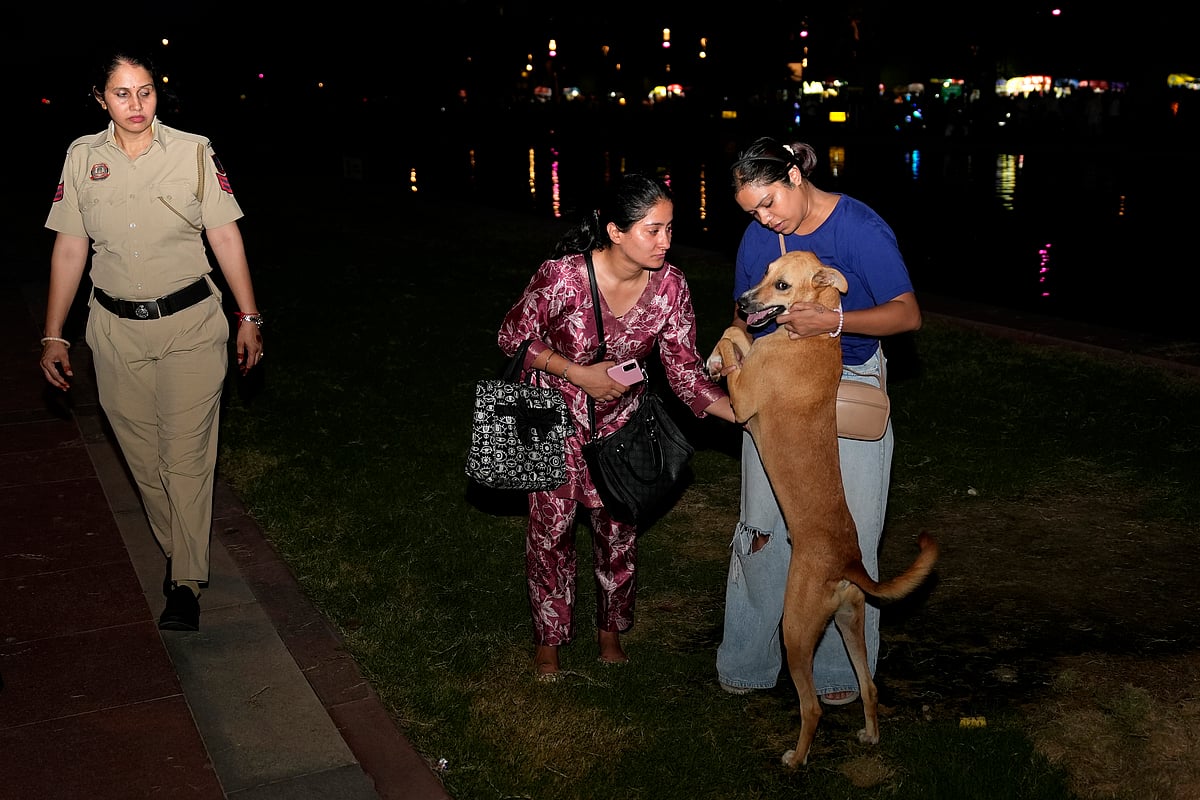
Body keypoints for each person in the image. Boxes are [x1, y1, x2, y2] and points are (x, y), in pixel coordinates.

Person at [38, 51, 264, 633]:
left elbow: (225, 236)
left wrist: (249, 316)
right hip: (112, 331)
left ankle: (184, 580)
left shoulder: (192, 151)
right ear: (99, 98)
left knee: (185, 458)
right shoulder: (82, 158)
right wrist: (53, 334)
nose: (136, 105)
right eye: (122, 94)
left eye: (145, 92)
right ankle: (180, 548)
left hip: (190, 325)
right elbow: (69, 247)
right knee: (144, 458)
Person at [497, 173, 737, 681]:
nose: (666, 242)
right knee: (550, 535)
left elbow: (685, 370)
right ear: (615, 231)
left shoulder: (670, 287)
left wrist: (742, 415)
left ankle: (610, 633)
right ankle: (549, 644)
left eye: (671, 229)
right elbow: (512, 335)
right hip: (552, 421)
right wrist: (577, 372)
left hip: (623, 427)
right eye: (653, 230)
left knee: (619, 532)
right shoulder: (562, 277)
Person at [714, 137, 921, 703]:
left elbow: (907, 314)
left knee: (848, 537)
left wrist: (833, 323)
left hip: (848, 381)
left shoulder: (859, 227)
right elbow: (746, 306)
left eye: (768, 203)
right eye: (752, 211)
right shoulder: (762, 233)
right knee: (762, 530)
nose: (762, 218)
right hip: (778, 380)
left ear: (794, 177)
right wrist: (740, 343)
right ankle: (749, 659)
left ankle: (838, 674)